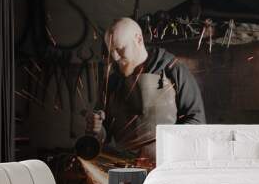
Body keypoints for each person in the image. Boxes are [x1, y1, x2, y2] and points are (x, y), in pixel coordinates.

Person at [85, 17, 206, 162]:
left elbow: (197, 122)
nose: (115, 57)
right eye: (112, 51)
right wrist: (97, 130)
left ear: (138, 39)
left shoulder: (172, 70)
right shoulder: (113, 82)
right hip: (126, 167)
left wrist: (162, 146)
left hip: (167, 166)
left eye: (120, 48)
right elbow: (104, 135)